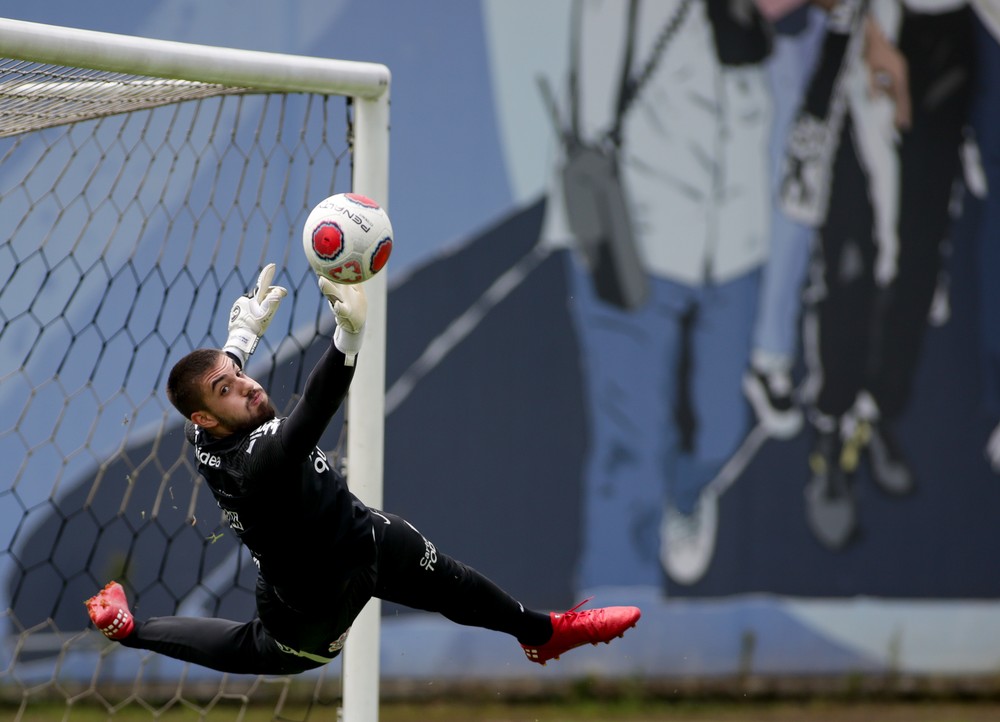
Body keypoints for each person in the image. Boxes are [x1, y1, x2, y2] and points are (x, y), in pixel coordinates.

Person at [85, 263, 640, 673]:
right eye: (227, 388)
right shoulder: (258, 466)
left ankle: (546, 632)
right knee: (254, 647)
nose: (248, 384)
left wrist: (240, 339)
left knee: (451, 580)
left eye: (238, 373)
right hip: (310, 609)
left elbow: (224, 387)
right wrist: (348, 338)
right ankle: (133, 630)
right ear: (207, 417)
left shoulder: (200, 426)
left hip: (362, 538)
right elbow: (315, 409)